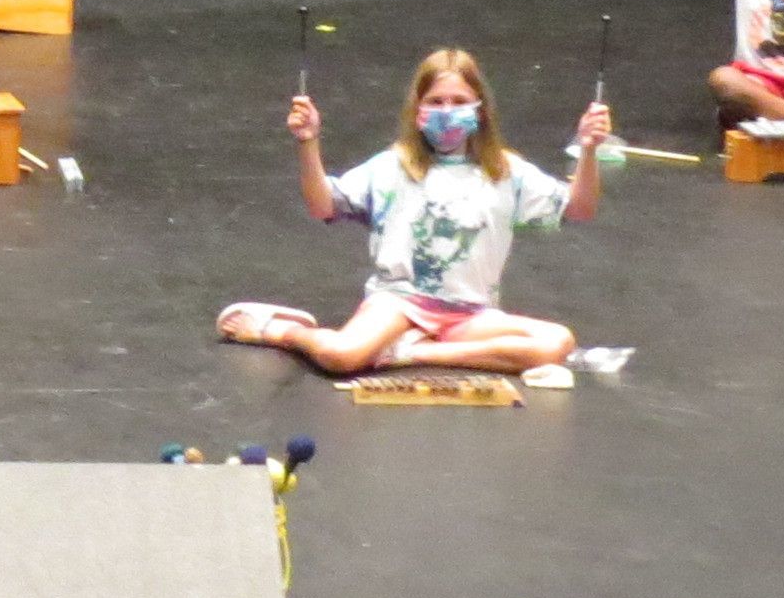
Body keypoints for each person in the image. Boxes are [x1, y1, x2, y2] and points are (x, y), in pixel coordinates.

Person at [216, 48, 607, 377]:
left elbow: (579, 207)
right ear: (418, 110)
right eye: (435, 102)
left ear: (480, 110)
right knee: (342, 357)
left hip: (469, 314)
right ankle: (285, 331)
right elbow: (322, 205)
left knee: (557, 342)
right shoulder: (392, 166)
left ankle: (413, 352)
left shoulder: (506, 172)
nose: (446, 111)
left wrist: (589, 150)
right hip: (401, 303)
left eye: (458, 102)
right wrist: (308, 142)